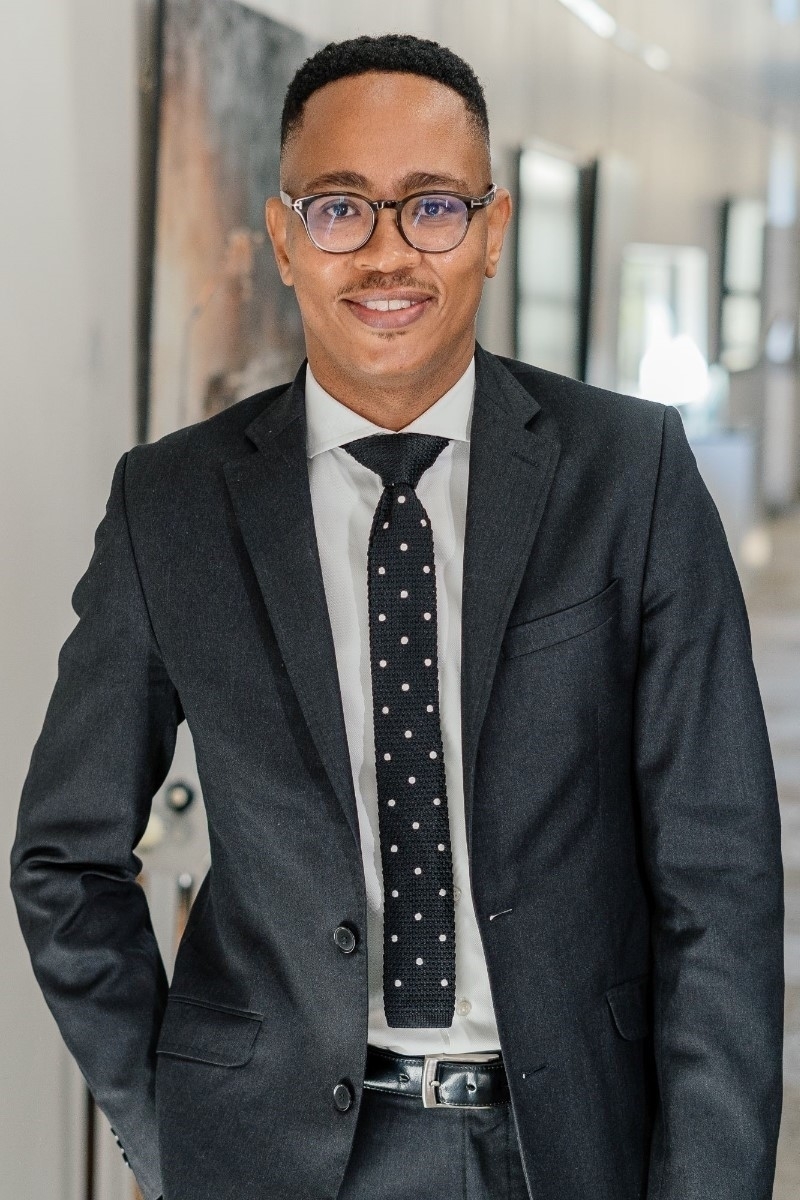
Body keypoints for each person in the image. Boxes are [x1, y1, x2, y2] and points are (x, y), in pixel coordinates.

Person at [10, 33, 784, 1200]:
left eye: (430, 207)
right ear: (282, 239)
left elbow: (717, 877)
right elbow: (64, 859)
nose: (385, 253)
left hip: (567, 1147)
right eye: (338, 209)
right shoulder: (170, 504)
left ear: (491, 229)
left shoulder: (630, 475)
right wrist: (176, 1136)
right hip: (273, 1158)